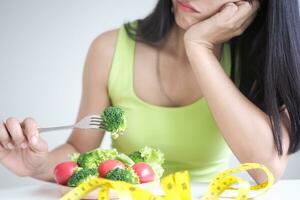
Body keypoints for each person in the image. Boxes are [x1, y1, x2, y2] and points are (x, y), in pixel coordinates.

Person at [1, 0, 300, 184]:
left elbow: (267, 169)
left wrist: (198, 47)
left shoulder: (255, 60)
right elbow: (79, 151)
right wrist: (38, 166)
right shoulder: (108, 49)